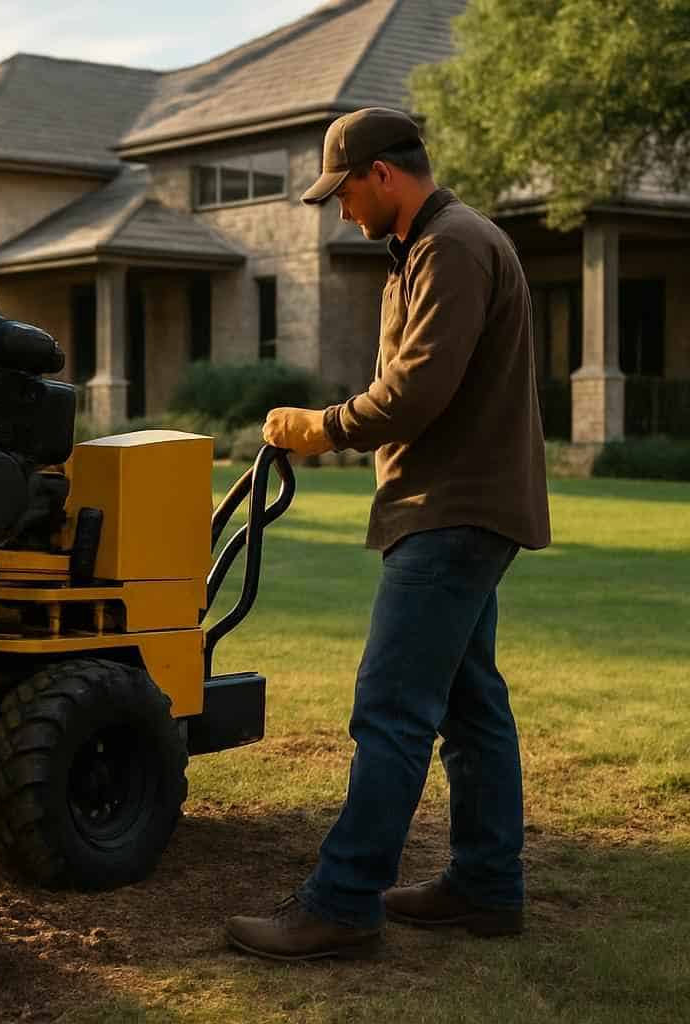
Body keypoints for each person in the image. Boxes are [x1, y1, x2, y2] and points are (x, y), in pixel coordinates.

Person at [227, 107, 551, 961]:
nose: (340, 212)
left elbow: (416, 391)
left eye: (344, 193)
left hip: (451, 511)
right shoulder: (426, 250)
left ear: (383, 175)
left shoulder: (451, 247)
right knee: (469, 701)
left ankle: (342, 902)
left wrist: (320, 426)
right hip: (460, 506)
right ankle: (487, 886)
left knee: (392, 708)